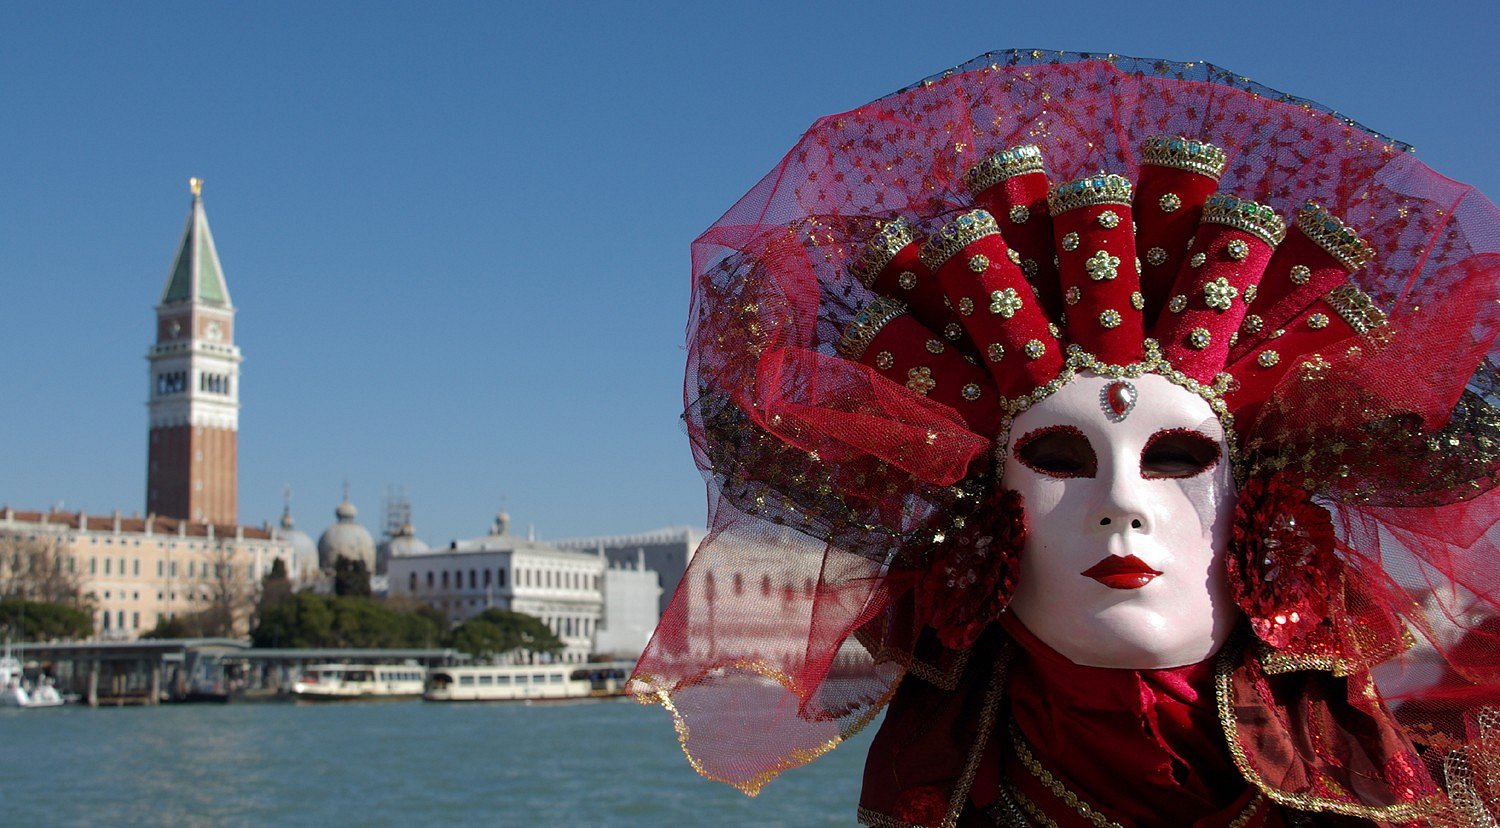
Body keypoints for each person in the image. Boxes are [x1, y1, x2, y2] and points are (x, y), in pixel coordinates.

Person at [630, 50, 1500, 826]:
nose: (1122, 502)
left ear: (1259, 500)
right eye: (1058, 459)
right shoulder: (949, 795)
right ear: (980, 508)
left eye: (1177, 457)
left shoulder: (1435, 792)